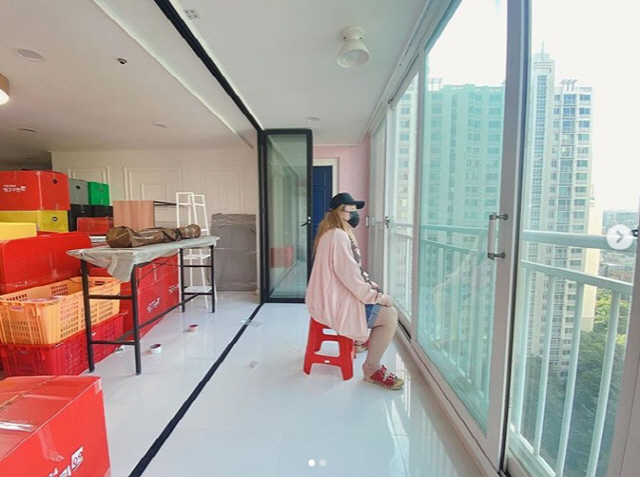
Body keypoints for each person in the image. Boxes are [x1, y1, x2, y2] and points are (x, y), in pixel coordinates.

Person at [305, 192, 404, 390]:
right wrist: (378, 297)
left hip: (327, 297)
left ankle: (359, 342)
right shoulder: (339, 236)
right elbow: (351, 276)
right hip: (332, 302)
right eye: (350, 210)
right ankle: (371, 368)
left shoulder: (332, 233)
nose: (355, 214)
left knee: (375, 297)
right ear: (338, 212)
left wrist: (372, 288)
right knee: (390, 315)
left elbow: (351, 273)